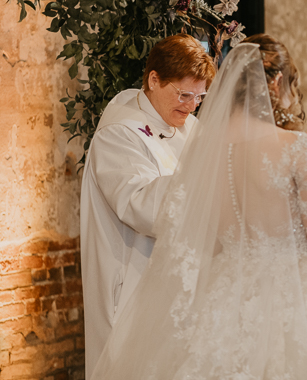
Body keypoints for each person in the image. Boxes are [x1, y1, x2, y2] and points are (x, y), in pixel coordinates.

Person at [90, 39, 307, 379]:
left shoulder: (205, 151)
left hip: (226, 292)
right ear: (277, 83)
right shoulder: (297, 146)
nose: (192, 106)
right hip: (295, 292)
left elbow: (208, 230)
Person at [80, 34, 216, 378]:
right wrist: (205, 183)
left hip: (179, 279)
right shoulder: (119, 133)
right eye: (184, 94)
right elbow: (139, 204)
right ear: (154, 79)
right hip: (132, 277)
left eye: (199, 97)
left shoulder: (188, 125)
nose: (191, 105)